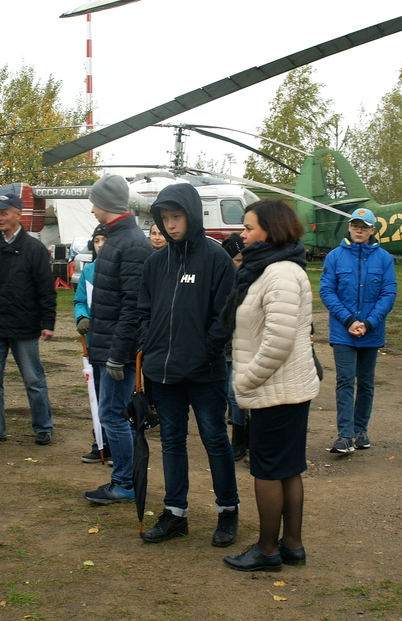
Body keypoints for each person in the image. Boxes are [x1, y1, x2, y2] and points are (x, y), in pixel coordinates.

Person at [136, 182, 239, 547]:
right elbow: (144, 311)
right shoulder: (154, 264)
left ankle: (228, 510)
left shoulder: (216, 259)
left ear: (191, 215)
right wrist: (150, 347)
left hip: (205, 373)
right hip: (163, 374)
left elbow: (225, 316)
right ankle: (175, 513)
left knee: (214, 439)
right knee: (171, 441)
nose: (170, 225)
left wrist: (206, 351)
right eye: (164, 218)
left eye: (176, 216)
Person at [221, 200, 320, 572]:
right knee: (288, 468)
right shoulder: (276, 268)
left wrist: (246, 380)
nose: (242, 235)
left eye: (248, 228)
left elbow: (277, 342)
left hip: (275, 391)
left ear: (271, 230)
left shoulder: (278, 273)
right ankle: (291, 545)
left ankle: (267, 550)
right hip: (285, 388)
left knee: (267, 470)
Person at [0, 192, 56, 446]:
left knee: (33, 380)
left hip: (24, 328)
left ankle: (43, 427)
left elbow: (46, 290)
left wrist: (48, 323)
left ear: (18, 213)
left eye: (4, 212)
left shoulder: (34, 249)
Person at [82, 174, 153, 504]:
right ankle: (123, 478)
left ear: (107, 204)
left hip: (117, 350)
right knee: (111, 412)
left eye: (96, 202)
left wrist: (117, 354)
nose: (93, 208)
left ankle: (125, 481)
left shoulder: (130, 243)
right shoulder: (118, 239)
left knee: (112, 413)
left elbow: (132, 305)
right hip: (109, 344)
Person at [319, 207, 396, 454]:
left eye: (364, 226)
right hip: (343, 331)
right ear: (349, 227)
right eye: (355, 225)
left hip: (371, 332)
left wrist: (370, 322)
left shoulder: (384, 258)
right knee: (344, 381)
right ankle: (344, 435)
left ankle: (361, 430)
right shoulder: (334, 257)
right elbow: (327, 292)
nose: (359, 230)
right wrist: (349, 320)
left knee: (366, 382)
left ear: (373, 230)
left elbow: (389, 293)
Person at [75, 224, 109, 463]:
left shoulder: (122, 269)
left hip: (115, 341)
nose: (100, 245)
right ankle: (99, 441)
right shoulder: (88, 272)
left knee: (113, 396)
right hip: (93, 341)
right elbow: (79, 300)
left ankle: (116, 445)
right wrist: (82, 316)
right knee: (96, 393)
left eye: (104, 240)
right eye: (97, 240)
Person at [220, 232, 248, 461]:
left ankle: (241, 438)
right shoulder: (220, 281)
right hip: (223, 348)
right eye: (237, 260)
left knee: (235, 393)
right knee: (227, 394)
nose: (241, 265)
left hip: (242, 347)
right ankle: (238, 438)